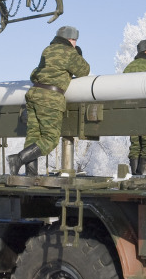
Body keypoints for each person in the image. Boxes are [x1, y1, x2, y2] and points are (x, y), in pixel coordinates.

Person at [9, 26, 90, 175]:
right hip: (50, 98)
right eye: (74, 40)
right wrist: (78, 54)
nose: (75, 43)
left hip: (34, 94)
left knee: (33, 136)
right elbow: (84, 70)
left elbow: (34, 74)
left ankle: (30, 175)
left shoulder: (47, 50)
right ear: (70, 39)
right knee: (50, 139)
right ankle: (18, 159)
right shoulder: (69, 52)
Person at [124, 38, 146, 175]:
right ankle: (142, 177)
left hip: (130, 112)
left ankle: (134, 176)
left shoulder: (129, 67)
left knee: (135, 145)